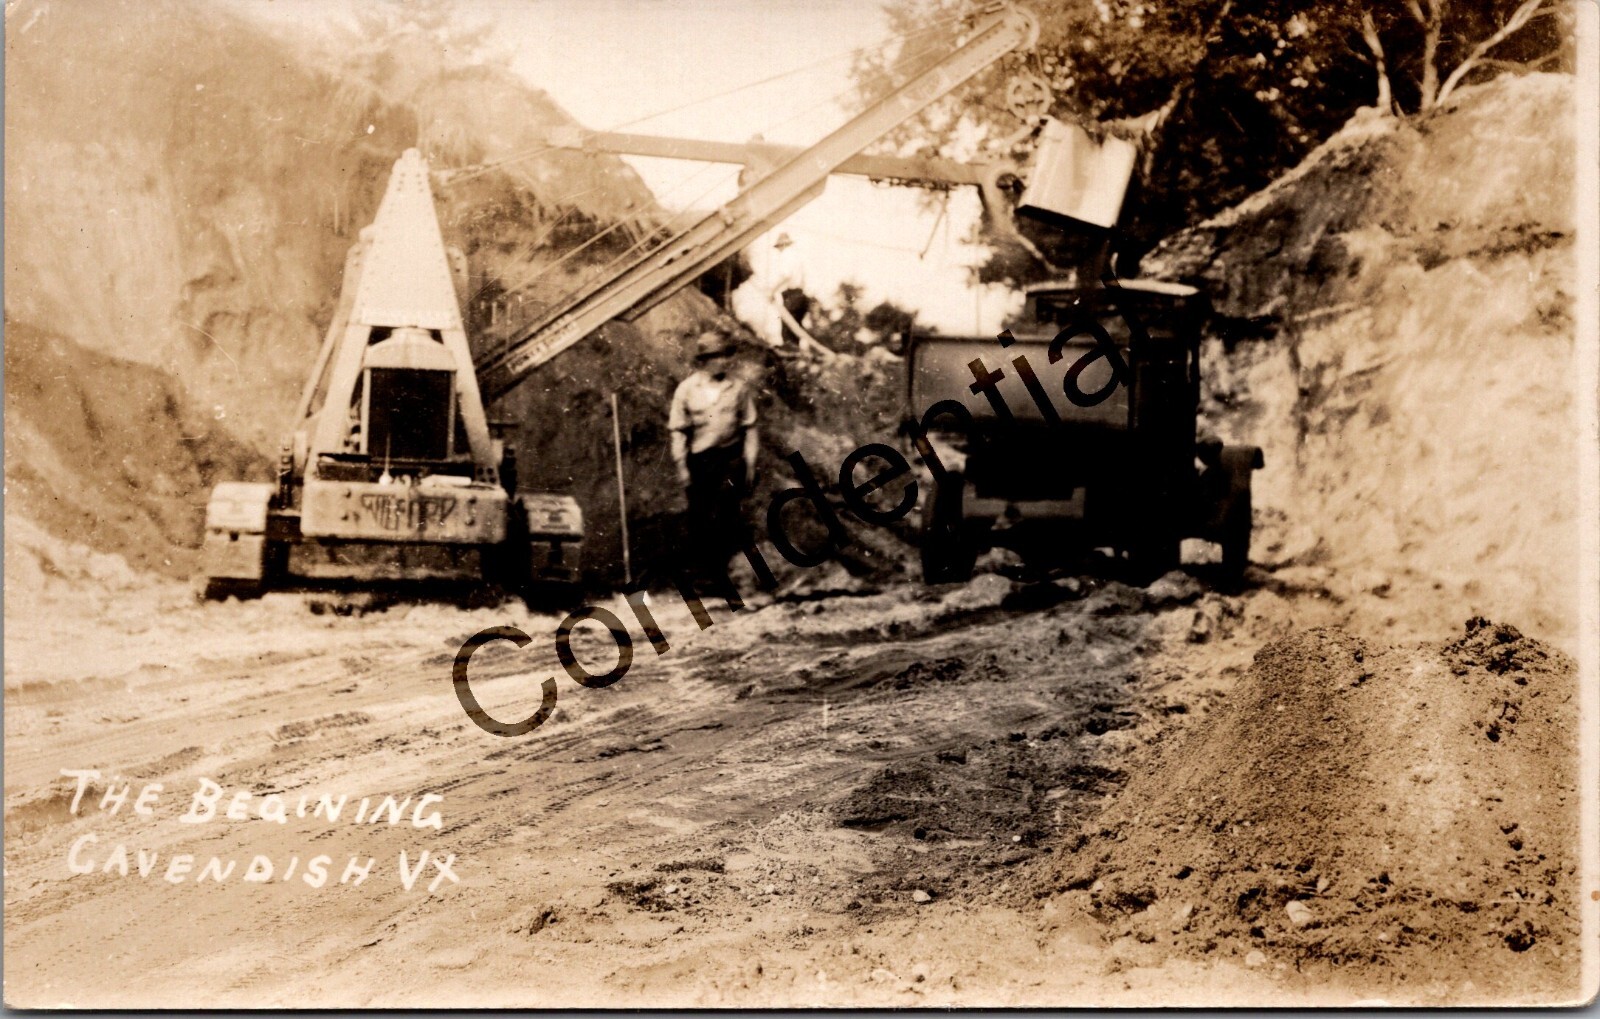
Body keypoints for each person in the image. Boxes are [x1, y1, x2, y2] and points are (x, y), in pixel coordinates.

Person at [669, 330, 760, 585]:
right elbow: (678, 430)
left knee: (725, 512)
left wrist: (751, 463)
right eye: (718, 356)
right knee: (699, 515)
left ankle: (722, 574)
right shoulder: (687, 389)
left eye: (726, 355)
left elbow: (750, 426)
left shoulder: (738, 388)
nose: (724, 361)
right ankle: (703, 576)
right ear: (705, 360)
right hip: (700, 460)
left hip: (730, 457)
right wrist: (681, 466)